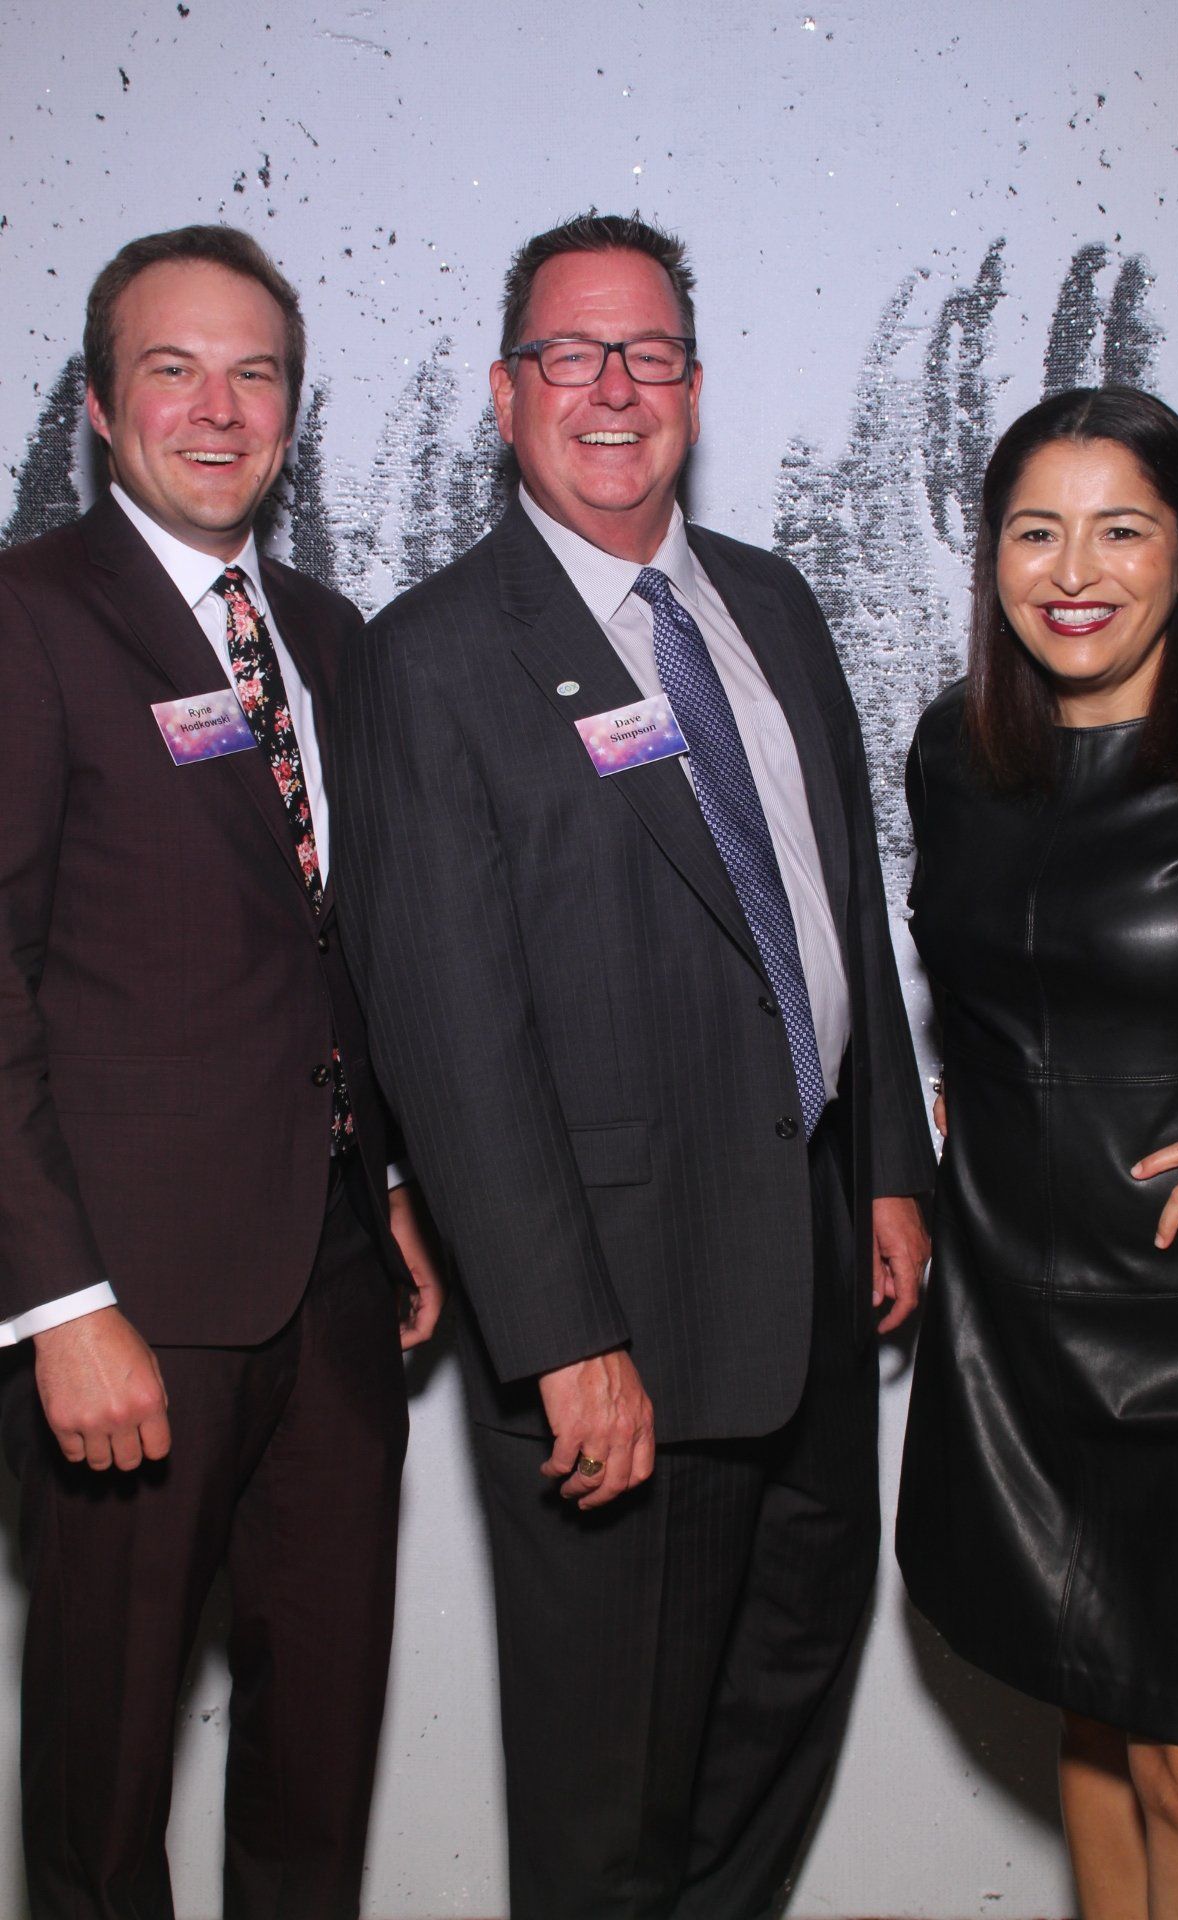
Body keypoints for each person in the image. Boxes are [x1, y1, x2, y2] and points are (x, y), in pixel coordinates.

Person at [334, 211, 934, 1920]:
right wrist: (563, 1335)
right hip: (618, 1305)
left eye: (649, 353)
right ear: (506, 390)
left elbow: (839, 899)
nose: (614, 388)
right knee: (608, 1804)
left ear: (694, 382)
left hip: (812, 1263)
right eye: (572, 354)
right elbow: (447, 1034)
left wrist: (887, 1166)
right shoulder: (435, 654)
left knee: (785, 1699)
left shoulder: (772, 602)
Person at [0, 224, 443, 1920]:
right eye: (172, 370)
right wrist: (60, 1305)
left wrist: (382, 1181)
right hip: (130, 1306)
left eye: (254, 374)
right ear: (101, 408)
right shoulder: (31, 619)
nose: (217, 408)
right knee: (105, 1791)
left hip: (332, 1287)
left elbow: (326, 941)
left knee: (318, 1760)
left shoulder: (323, 631)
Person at [896, 384, 1178, 1919]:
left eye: (1122, 531)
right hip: (1014, 1314)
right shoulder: (956, 751)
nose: (1073, 572)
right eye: (1034, 532)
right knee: (1099, 1717)